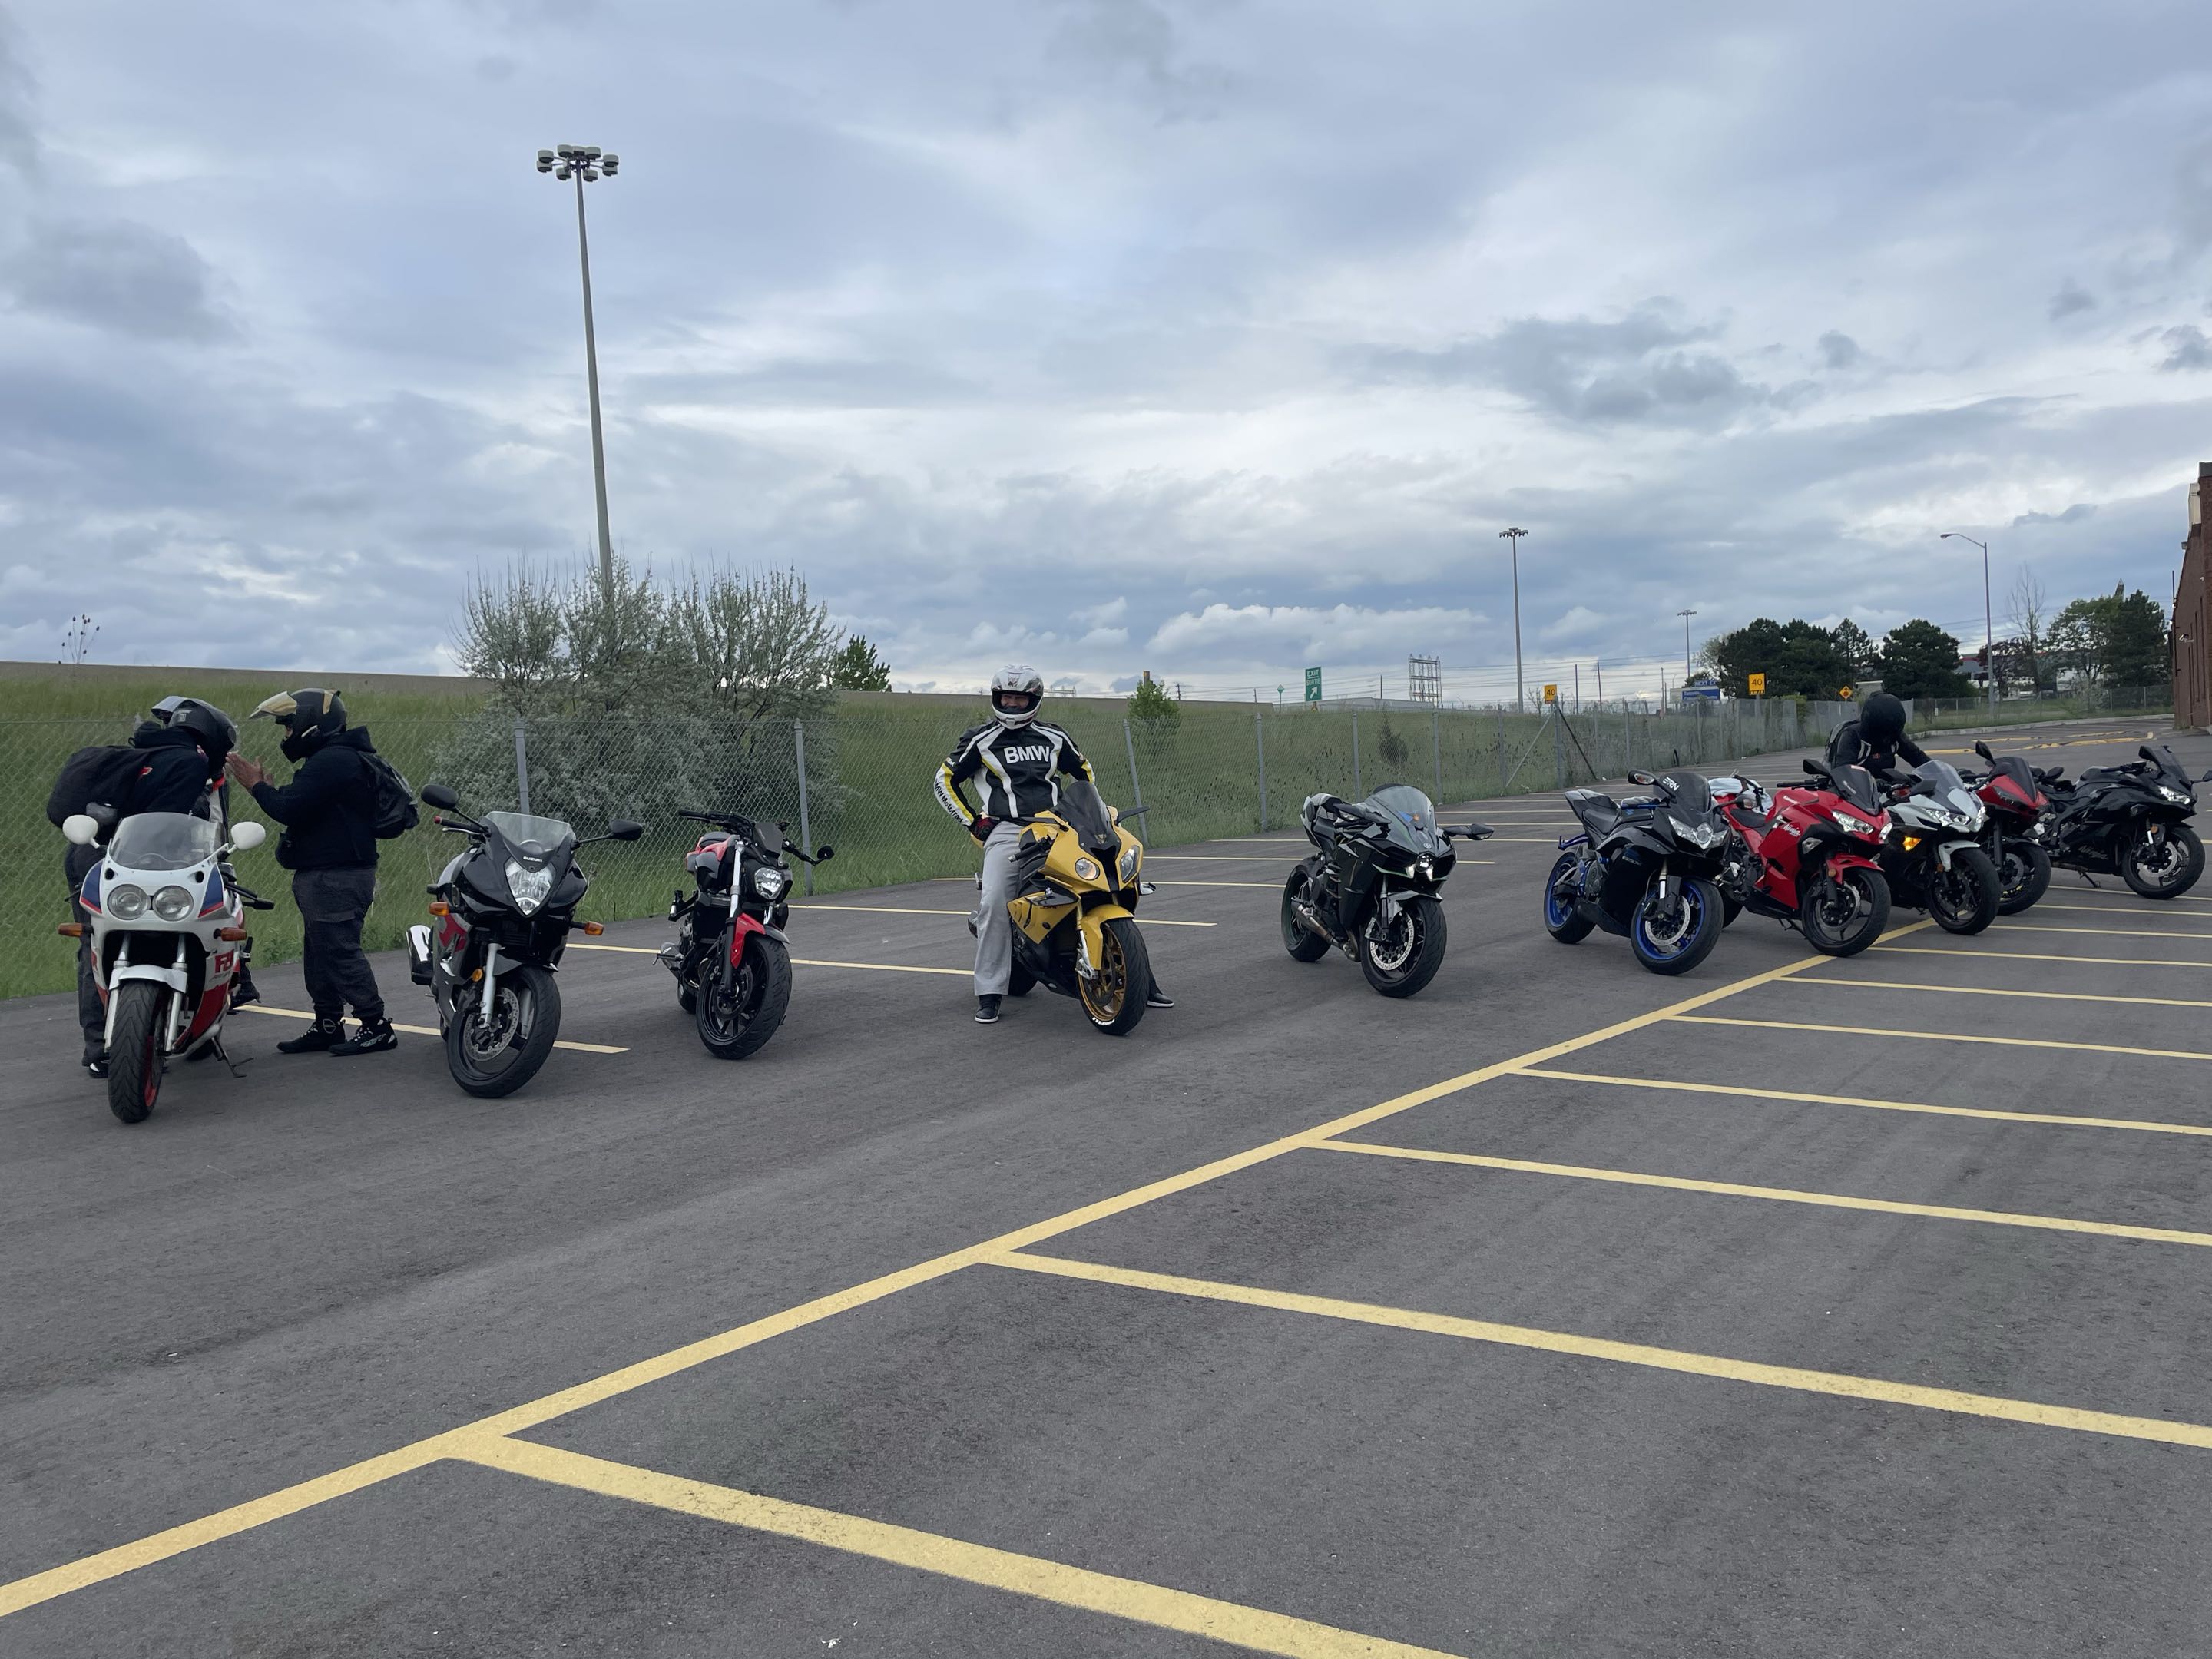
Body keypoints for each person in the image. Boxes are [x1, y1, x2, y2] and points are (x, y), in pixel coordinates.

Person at [934, 664, 1173, 1025]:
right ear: (997, 698)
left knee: (1105, 884)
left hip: (1058, 826)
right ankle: (990, 991)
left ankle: (1140, 978)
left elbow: (1084, 775)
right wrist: (973, 820)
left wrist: (1094, 813)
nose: (1012, 704)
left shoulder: (1054, 737)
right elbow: (944, 780)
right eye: (1006, 697)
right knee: (996, 900)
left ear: (1034, 700)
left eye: (1020, 698)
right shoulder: (980, 739)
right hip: (1008, 829)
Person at [57, 698, 237, 1076]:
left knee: (93, 946)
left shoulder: (136, 758)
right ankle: (183, 1030)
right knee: (182, 934)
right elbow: (169, 824)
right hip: (147, 861)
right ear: (211, 738)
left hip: (90, 857)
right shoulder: (190, 763)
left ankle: (99, 1048)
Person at [226, 688, 395, 1057]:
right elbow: (302, 804)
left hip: (337, 876)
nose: (286, 734)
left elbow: (288, 809)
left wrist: (255, 785)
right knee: (320, 953)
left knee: (339, 952)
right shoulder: (335, 759)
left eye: (288, 726)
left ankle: (376, 1025)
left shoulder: (334, 761)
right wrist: (269, 790)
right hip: (329, 873)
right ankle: (328, 1023)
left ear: (310, 725)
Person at [1826, 691, 1929, 779]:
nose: (1886, 738)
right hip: (1855, 794)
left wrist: (1938, 774)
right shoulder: (1852, 736)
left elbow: (1917, 757)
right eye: (1884, 730)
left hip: (1886, 792)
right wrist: (1874, 785)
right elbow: (1844, 773)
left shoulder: (1894, 736)